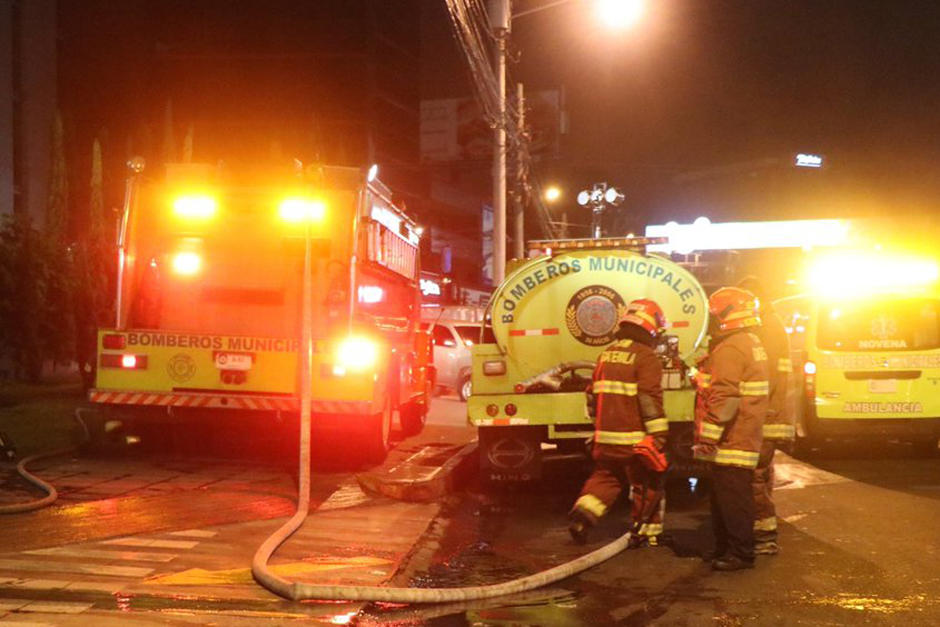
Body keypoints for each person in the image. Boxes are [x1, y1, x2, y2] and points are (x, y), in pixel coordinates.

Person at [569, 299, 670, 547]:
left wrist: (598, 427)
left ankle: (583, 517)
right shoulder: (645, 357)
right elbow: (648, 399)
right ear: (650, 326)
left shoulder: (606, 355)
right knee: (648, 482)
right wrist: (658, 435)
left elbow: (591, 395)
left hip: (606, 440)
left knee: (605, 478)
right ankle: (645, 533)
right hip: (634, 440)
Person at [694, 287, 769, 571]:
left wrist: (708, 438)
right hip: (745, 432)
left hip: (732, 438)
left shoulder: (731, 348)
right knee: (727, 497)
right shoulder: (750, 342)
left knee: (733, 498)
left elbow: (725, 396)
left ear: (724, 314)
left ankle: (740, 553)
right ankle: (726, 548)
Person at [738, 276, 794, 556]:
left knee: (754, 475)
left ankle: (763, 535)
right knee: (761, 473)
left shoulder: (765, 330)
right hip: (771, 412)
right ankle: (762, 527)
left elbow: (763, 377)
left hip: (765, 414)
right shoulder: (771, 326)